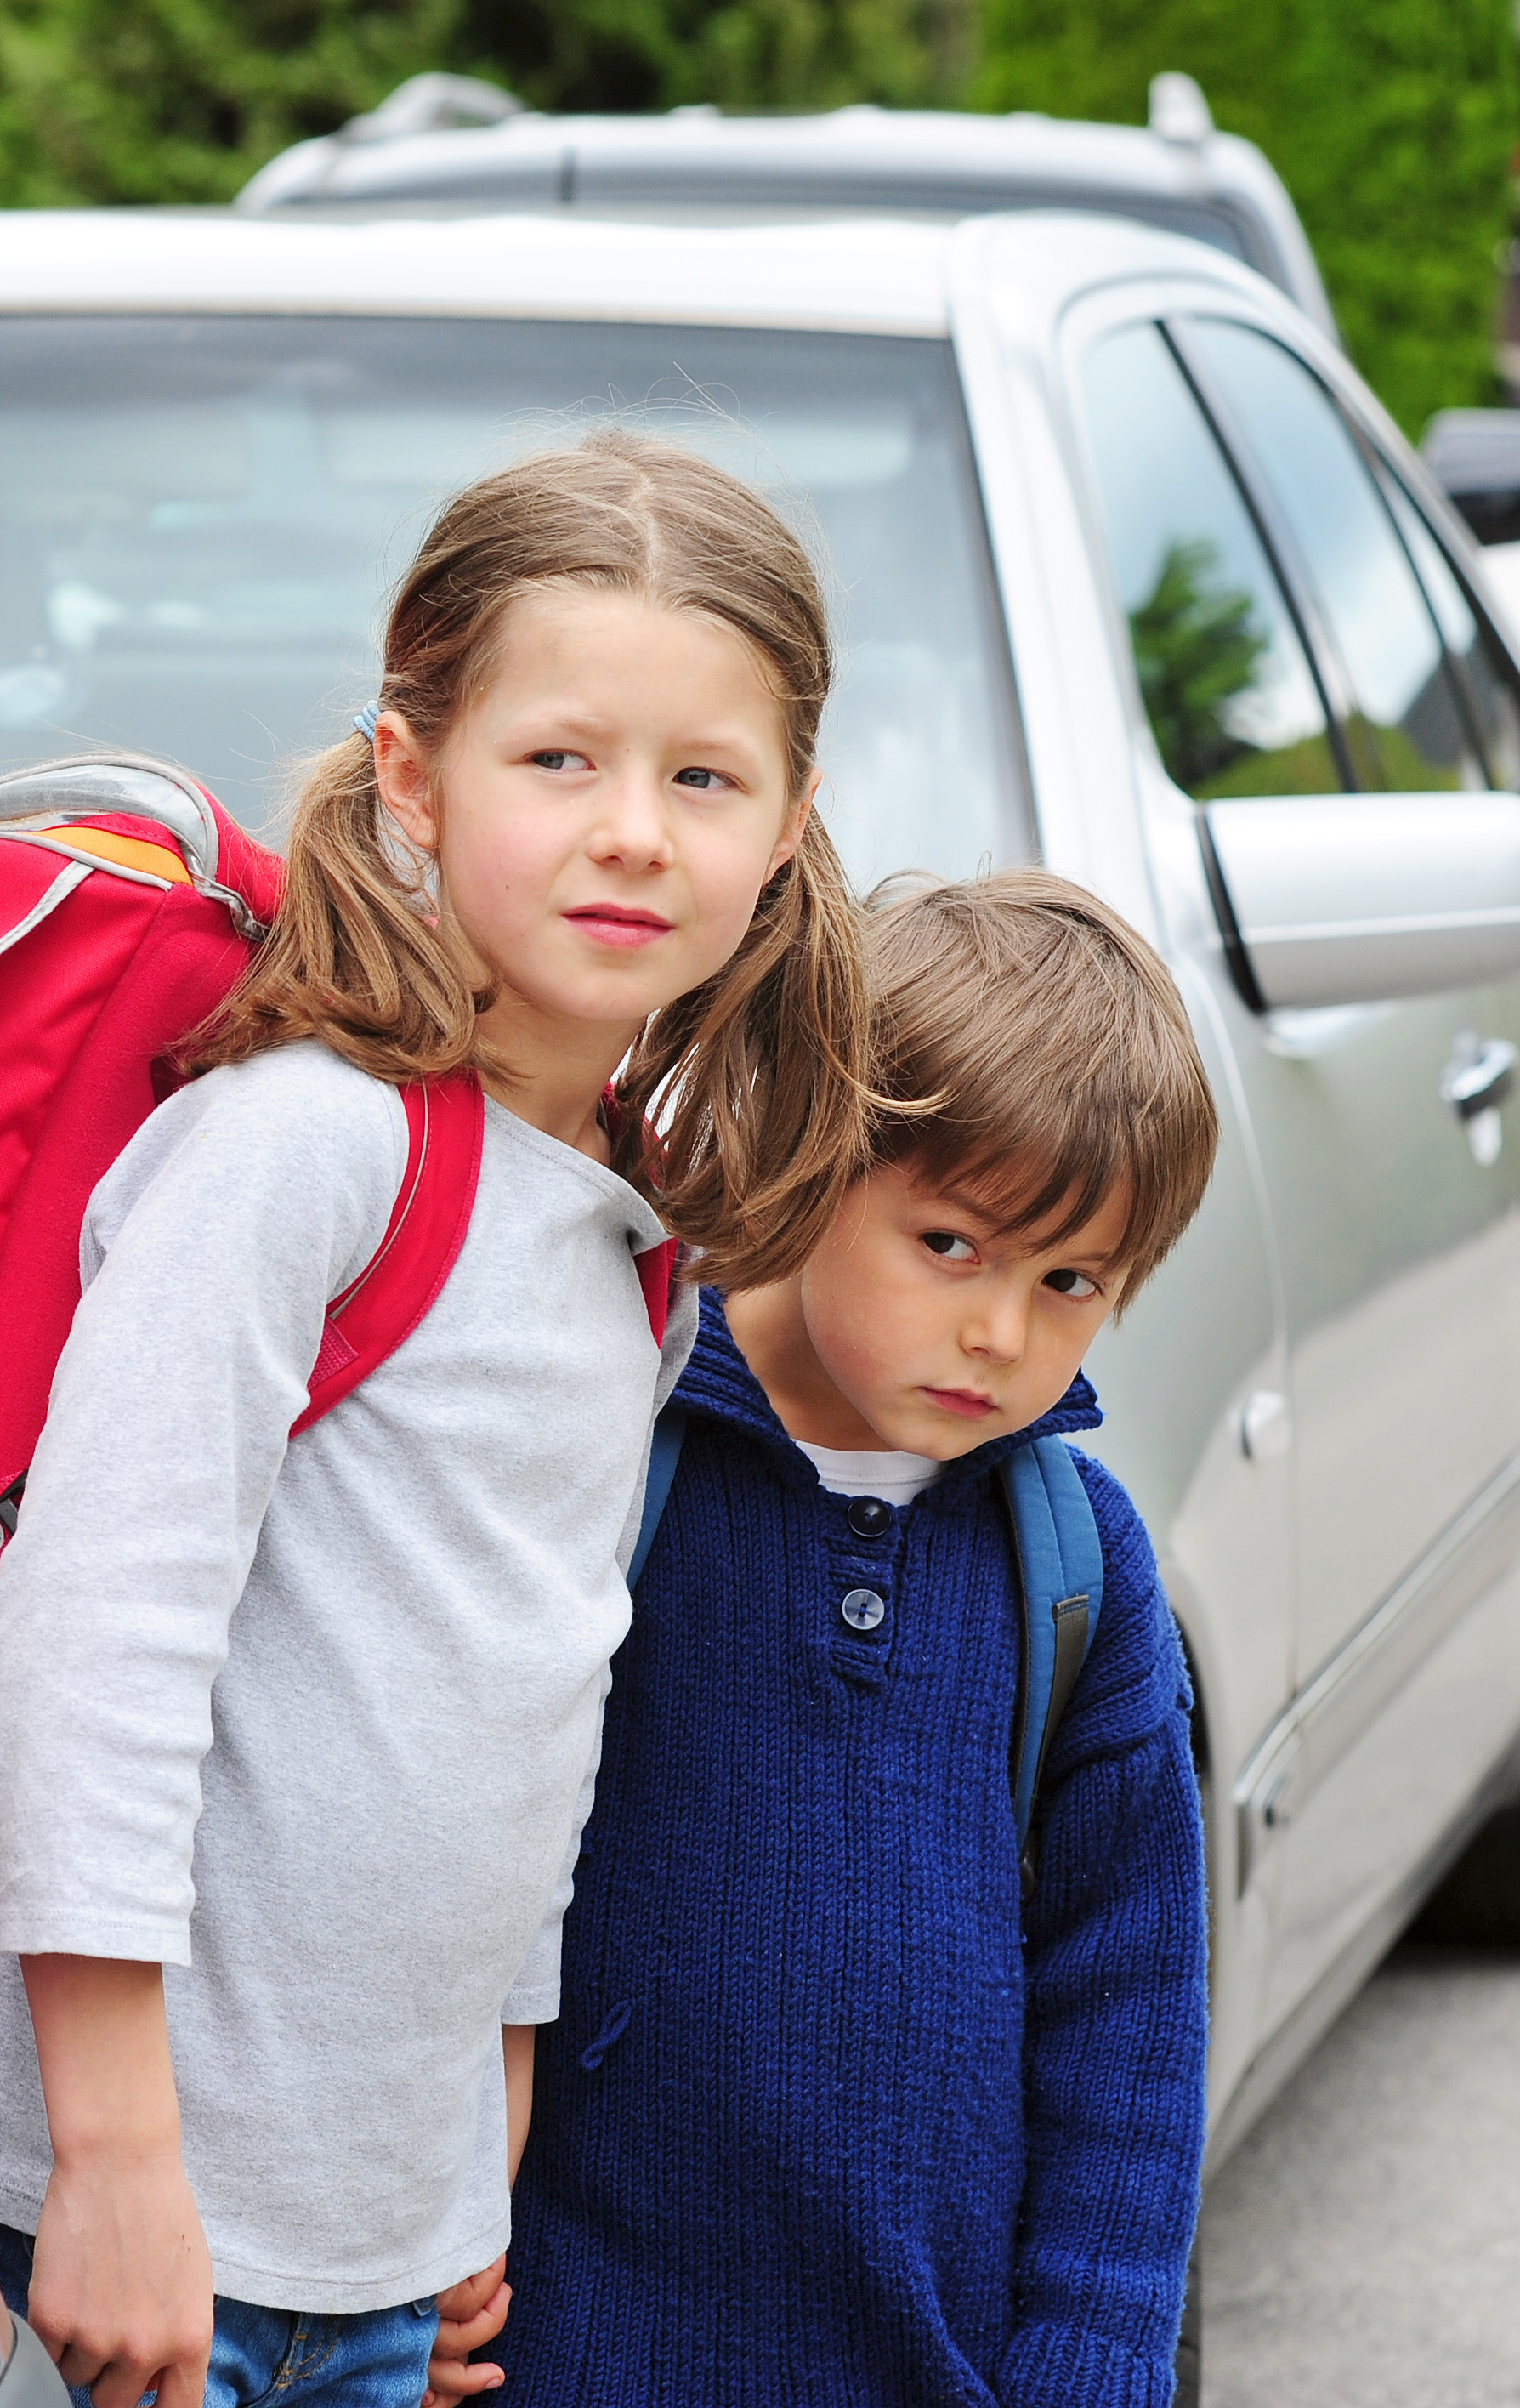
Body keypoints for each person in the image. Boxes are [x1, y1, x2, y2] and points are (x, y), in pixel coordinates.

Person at [0, 428, 877, 2408]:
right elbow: (98, 1644)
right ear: (413, 779)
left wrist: (469, 2166)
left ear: (784, 830)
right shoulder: (302, 1150)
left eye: (703, 777)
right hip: (119, 2228)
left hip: (383, 2255)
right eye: (560, 761)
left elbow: (518, 1704)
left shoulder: (624, 1226)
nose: (634, 832)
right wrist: (109, 2162)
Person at [462, 867, 1222, 2408]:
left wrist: (1091, 2361)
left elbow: (1130, 2021)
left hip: (933, 2365)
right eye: (951, 1245)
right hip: (576, 2349)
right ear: (815, 1157)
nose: (1002, 1331)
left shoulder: (1079, 1571)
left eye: (1070, 1281)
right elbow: (447, 1859)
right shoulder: (610, 1450)